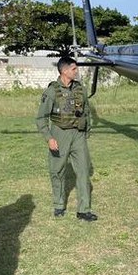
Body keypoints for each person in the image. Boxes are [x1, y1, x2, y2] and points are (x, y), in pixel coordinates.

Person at [36, 56, 96, 221]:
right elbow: (41, 118)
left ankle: (83, 210)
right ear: (64, 70)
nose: (77, 71)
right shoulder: (51, 91)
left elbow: (86, 111)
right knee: (57, 171)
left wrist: (86, 131)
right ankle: (59, 204)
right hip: (59, 133)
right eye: (74, 69)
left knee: (83, 171)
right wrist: (49, 138)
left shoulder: (80, 89)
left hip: (78, 135)